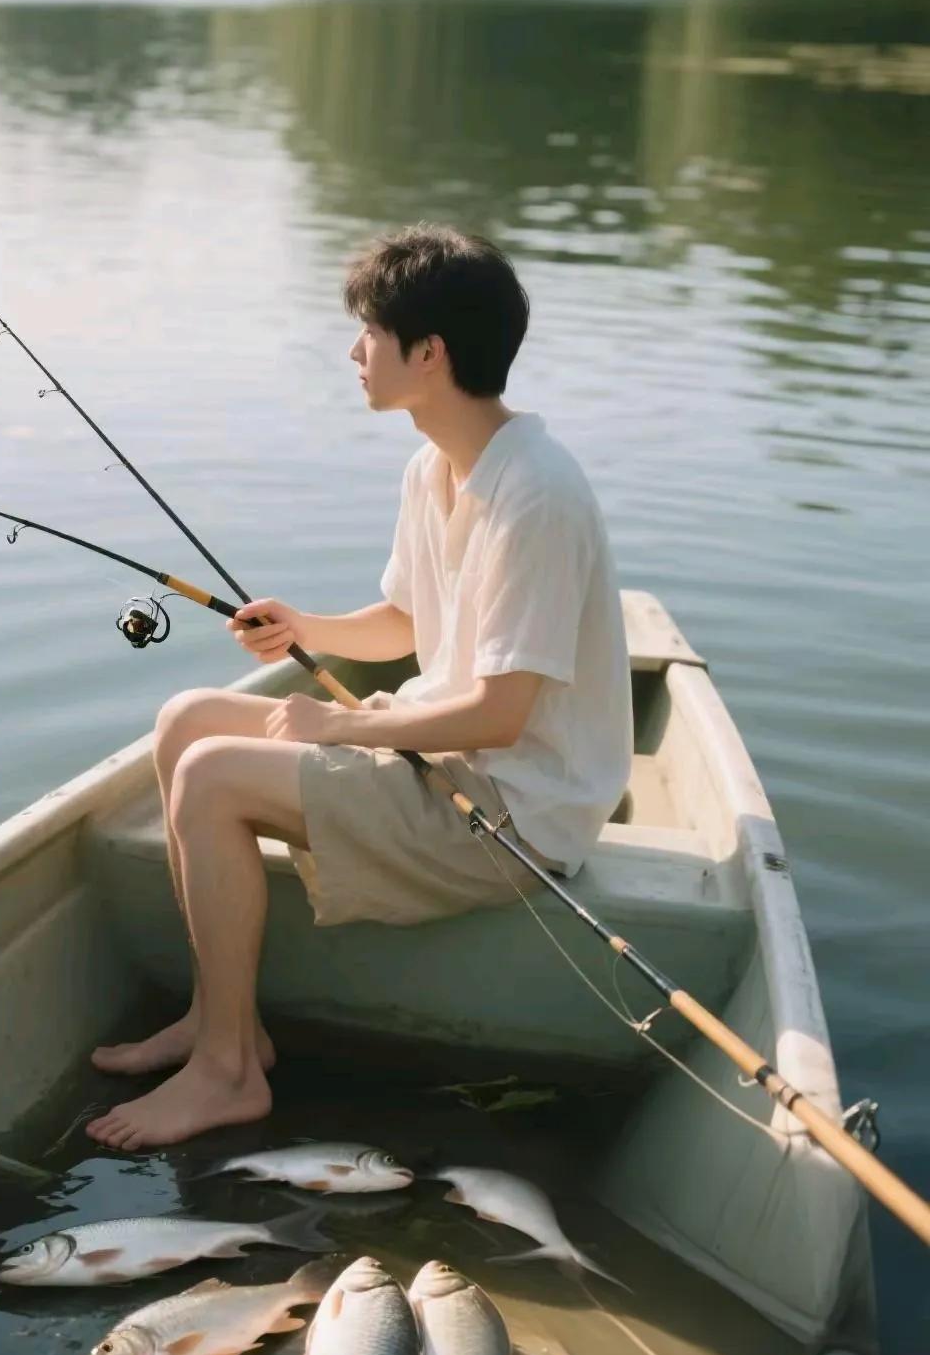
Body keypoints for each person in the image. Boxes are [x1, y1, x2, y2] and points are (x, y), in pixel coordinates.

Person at [88, 225, 632, 1150]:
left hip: (511, 811)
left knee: (214, 775)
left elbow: (503, 716)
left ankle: (225, 1077)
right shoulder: (437, 466)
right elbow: (410, 623)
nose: (354, 352)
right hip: (439, 748)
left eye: (370, 335)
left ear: (429, 354)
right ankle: (224, 1025)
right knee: (187, 720)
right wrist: (303, 629)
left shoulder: (536, 493)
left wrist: (332, 734)